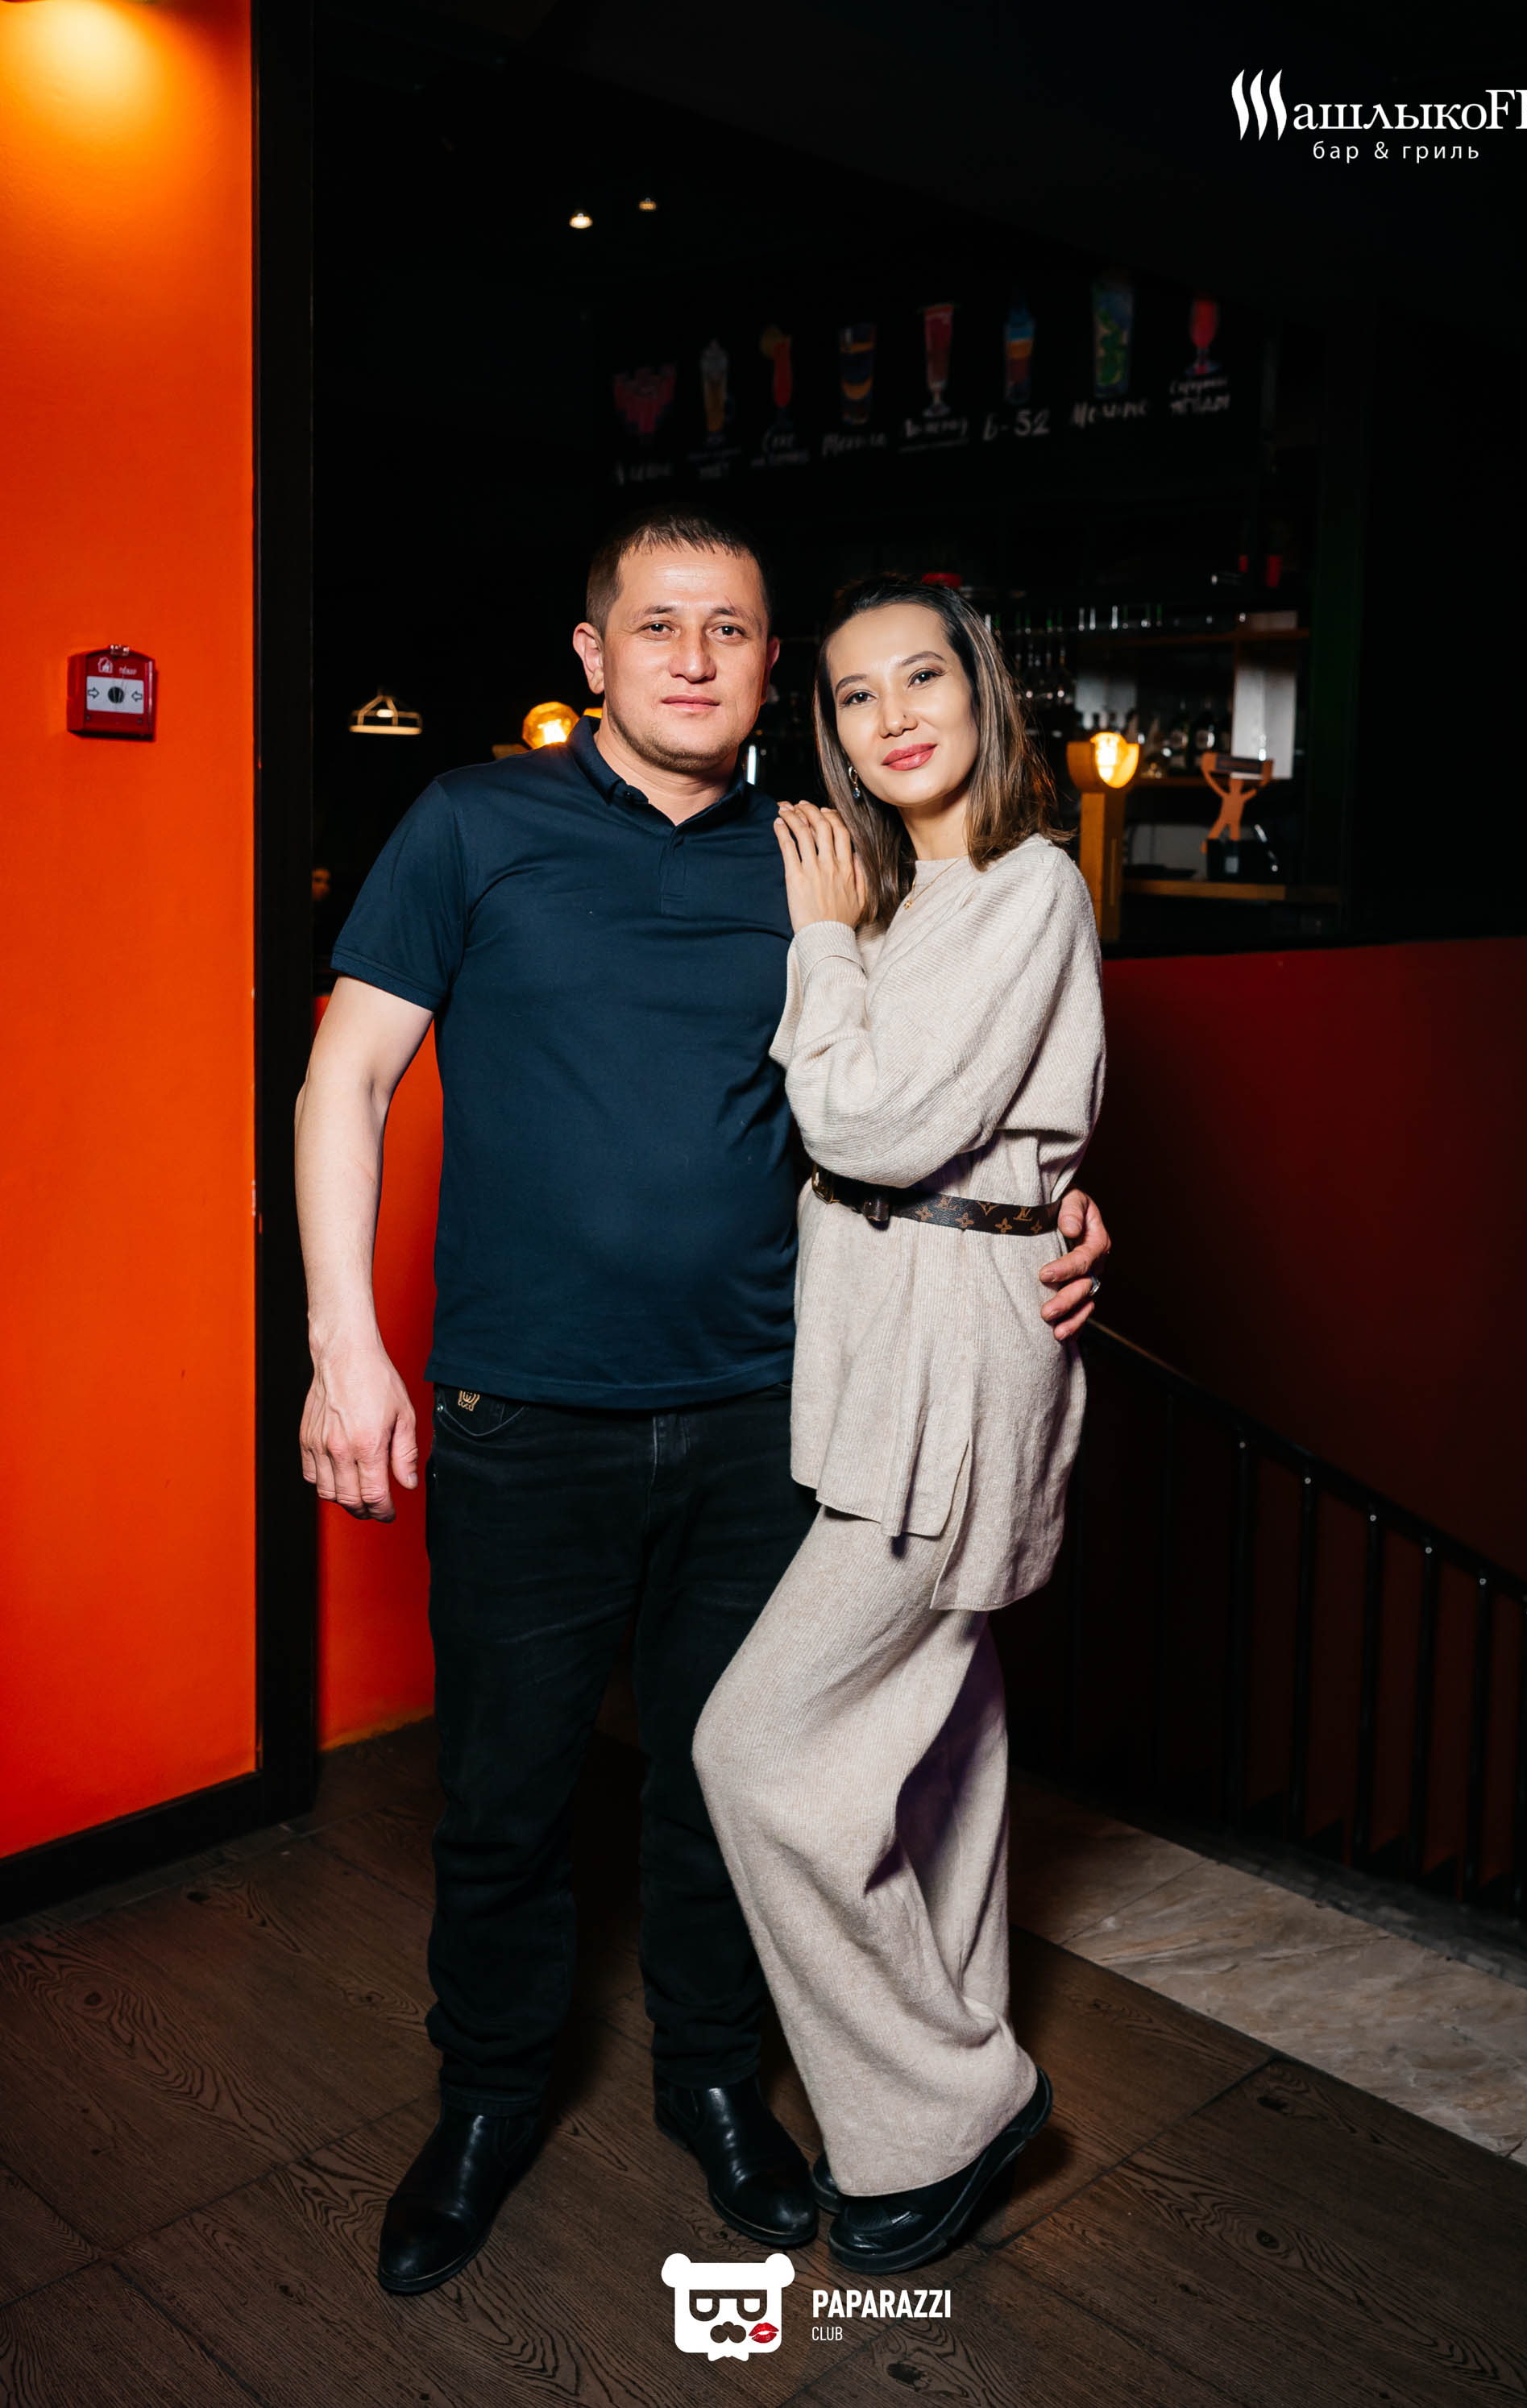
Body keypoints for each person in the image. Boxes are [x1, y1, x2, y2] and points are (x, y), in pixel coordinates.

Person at [293, 509, 1110, 2298]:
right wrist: (345, 1344)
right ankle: (488, 2101)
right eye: (655, 626)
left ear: (766, 668)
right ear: (592, 653)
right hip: (523, 1407)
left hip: (769, 1411)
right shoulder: (470, 822)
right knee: (504, 1794)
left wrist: (1048, 1202)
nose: (691, 657)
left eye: (728, 629)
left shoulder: (829, 856)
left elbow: (941, 1060)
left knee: (716, 1777)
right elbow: (344, 1078)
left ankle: (716, 2084)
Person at [694, 575, 1105, 2275]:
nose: (892, 717)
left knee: (753, 1749)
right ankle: (960, 2025)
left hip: (952, 1364)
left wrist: (818, 945)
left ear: (980, 691)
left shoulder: (1027, 883)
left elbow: (872, 1125)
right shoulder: (917, 896)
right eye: (855, 696)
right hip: (895, 1349)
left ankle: (945, 2107)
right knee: (940, 1744)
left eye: (920, 676)